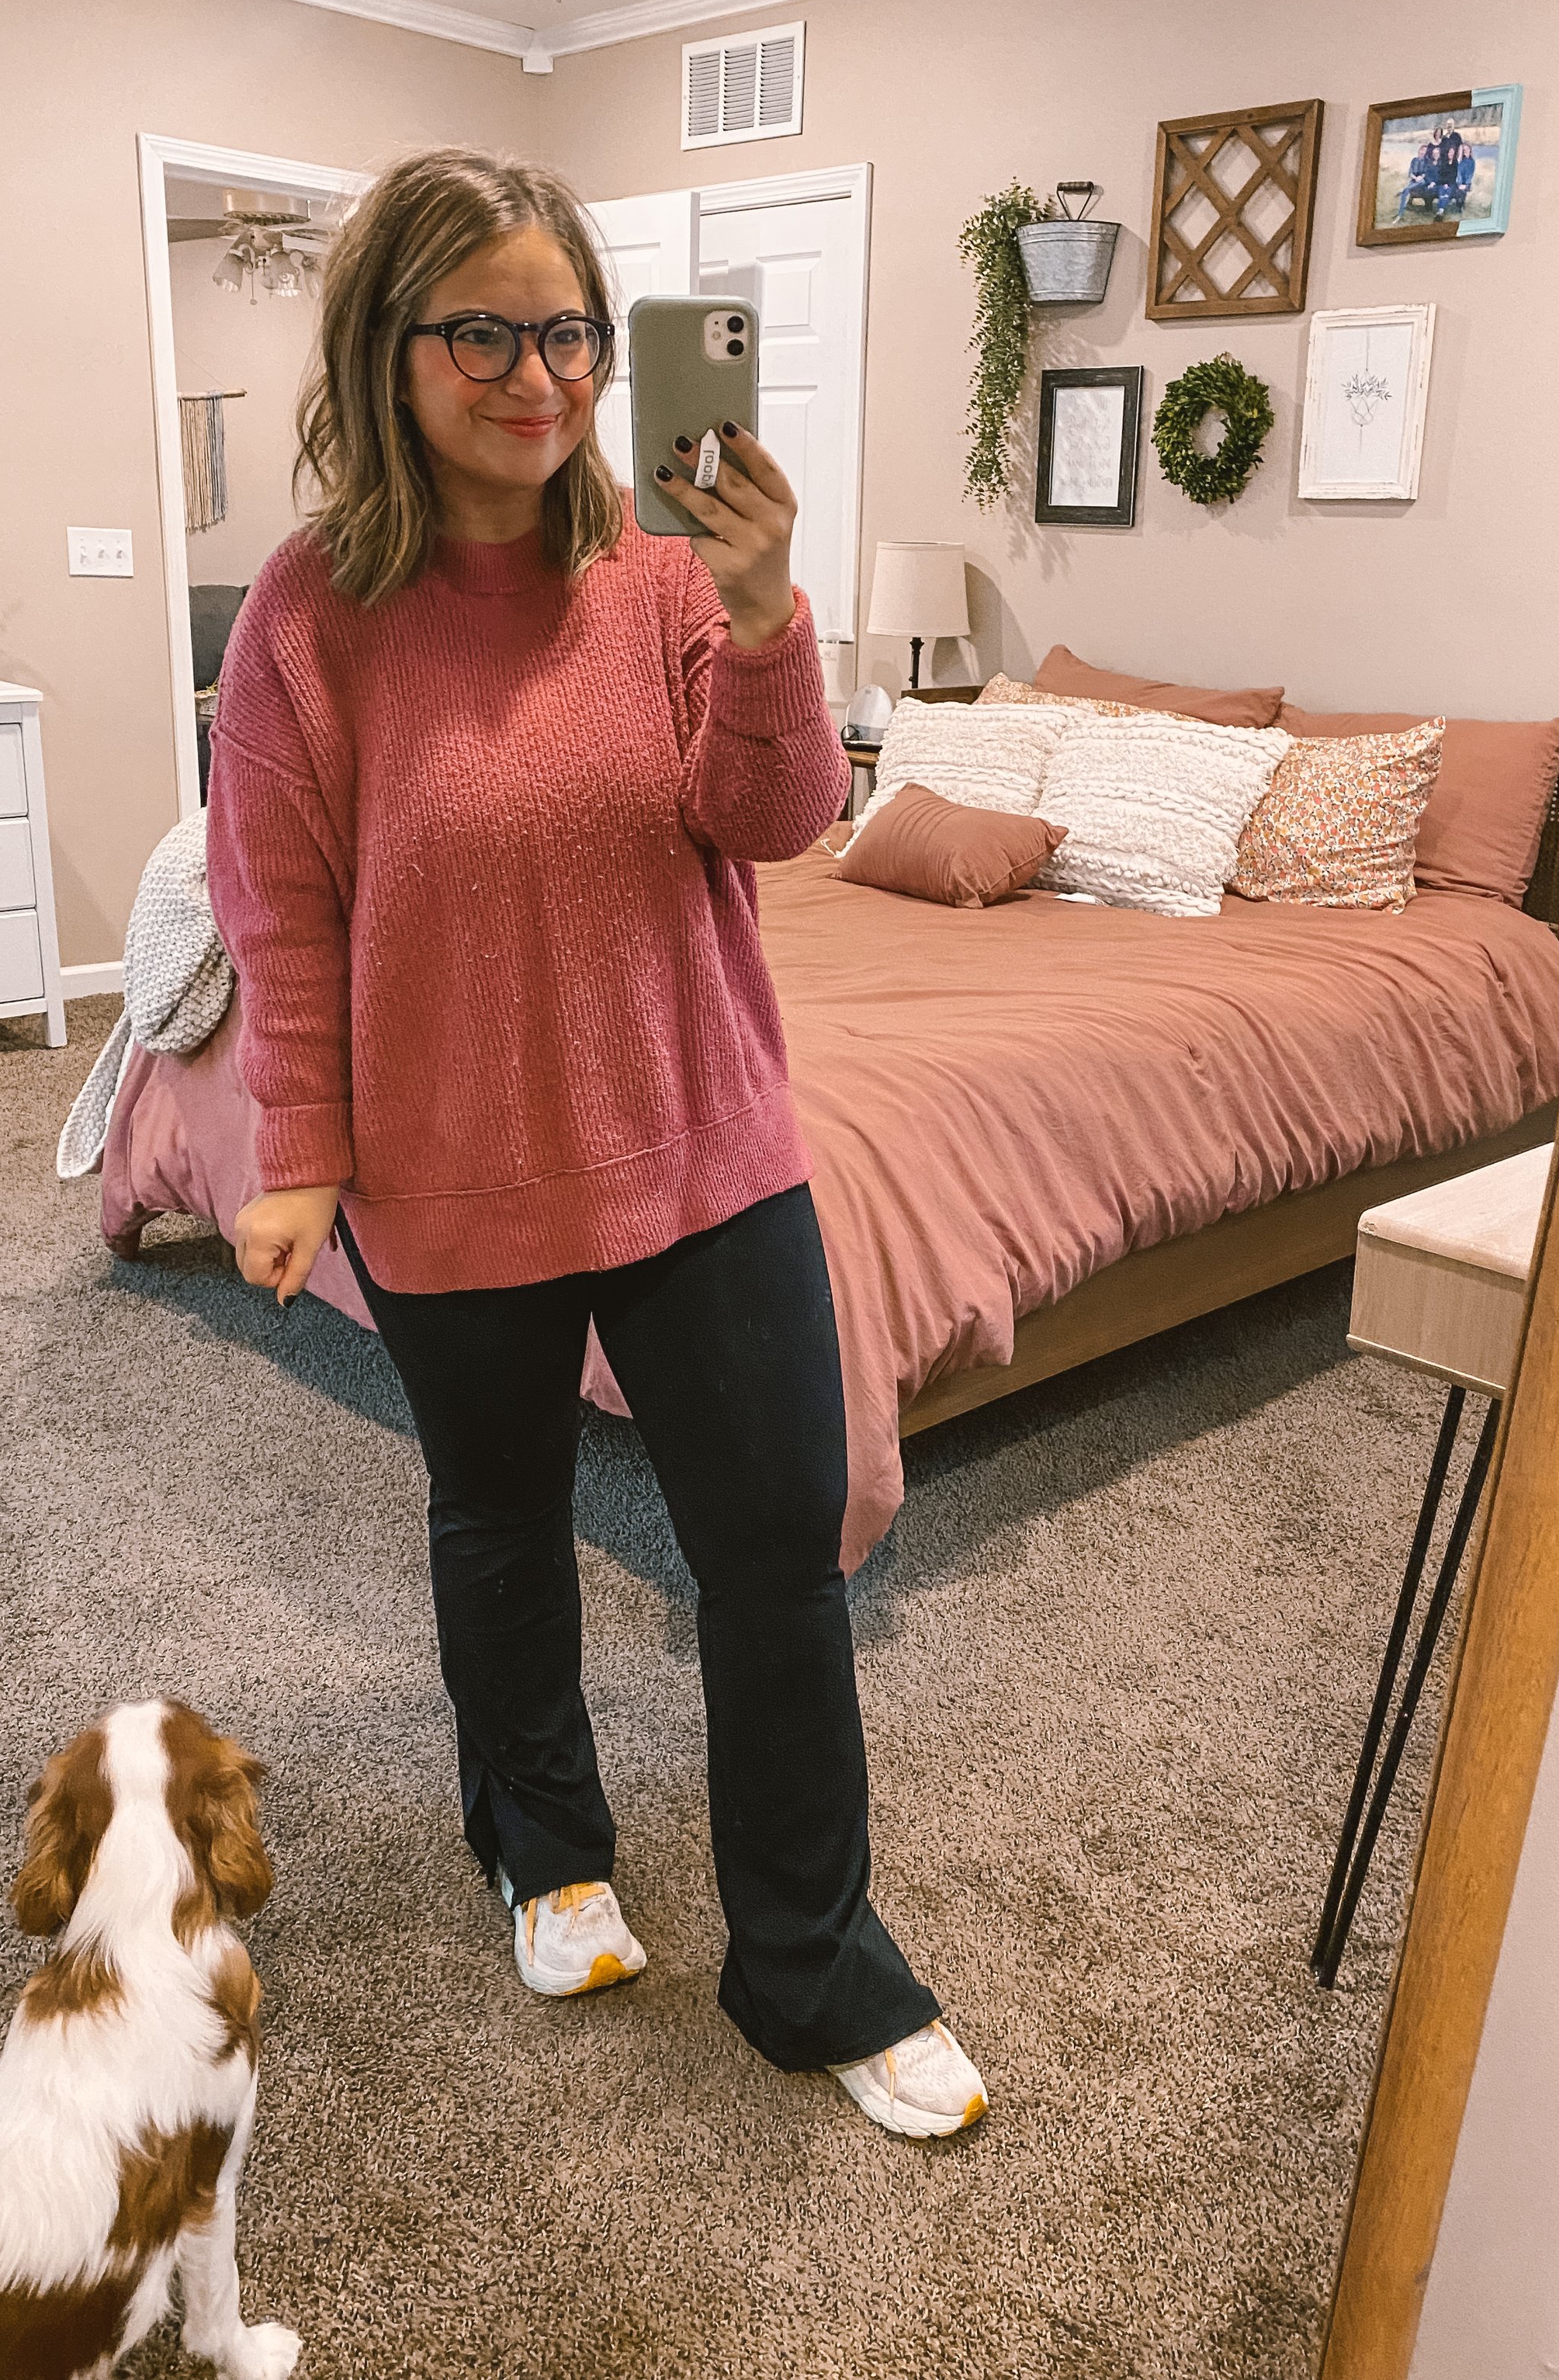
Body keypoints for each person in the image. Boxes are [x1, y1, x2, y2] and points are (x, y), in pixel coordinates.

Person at [204, 148, 986, 2142]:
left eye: (569, 332)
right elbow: (278, 903)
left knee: (778, 1553)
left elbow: (777, 819)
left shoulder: (659, 566)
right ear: (388, 346)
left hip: (703, 1150)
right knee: (497, 1514)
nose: (539, 377)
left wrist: (765, 611)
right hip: (444, 1162)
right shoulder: (309, 610)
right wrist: (297, 1145)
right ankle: (543, 1845)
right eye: (483, 332)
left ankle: (812, 1958)